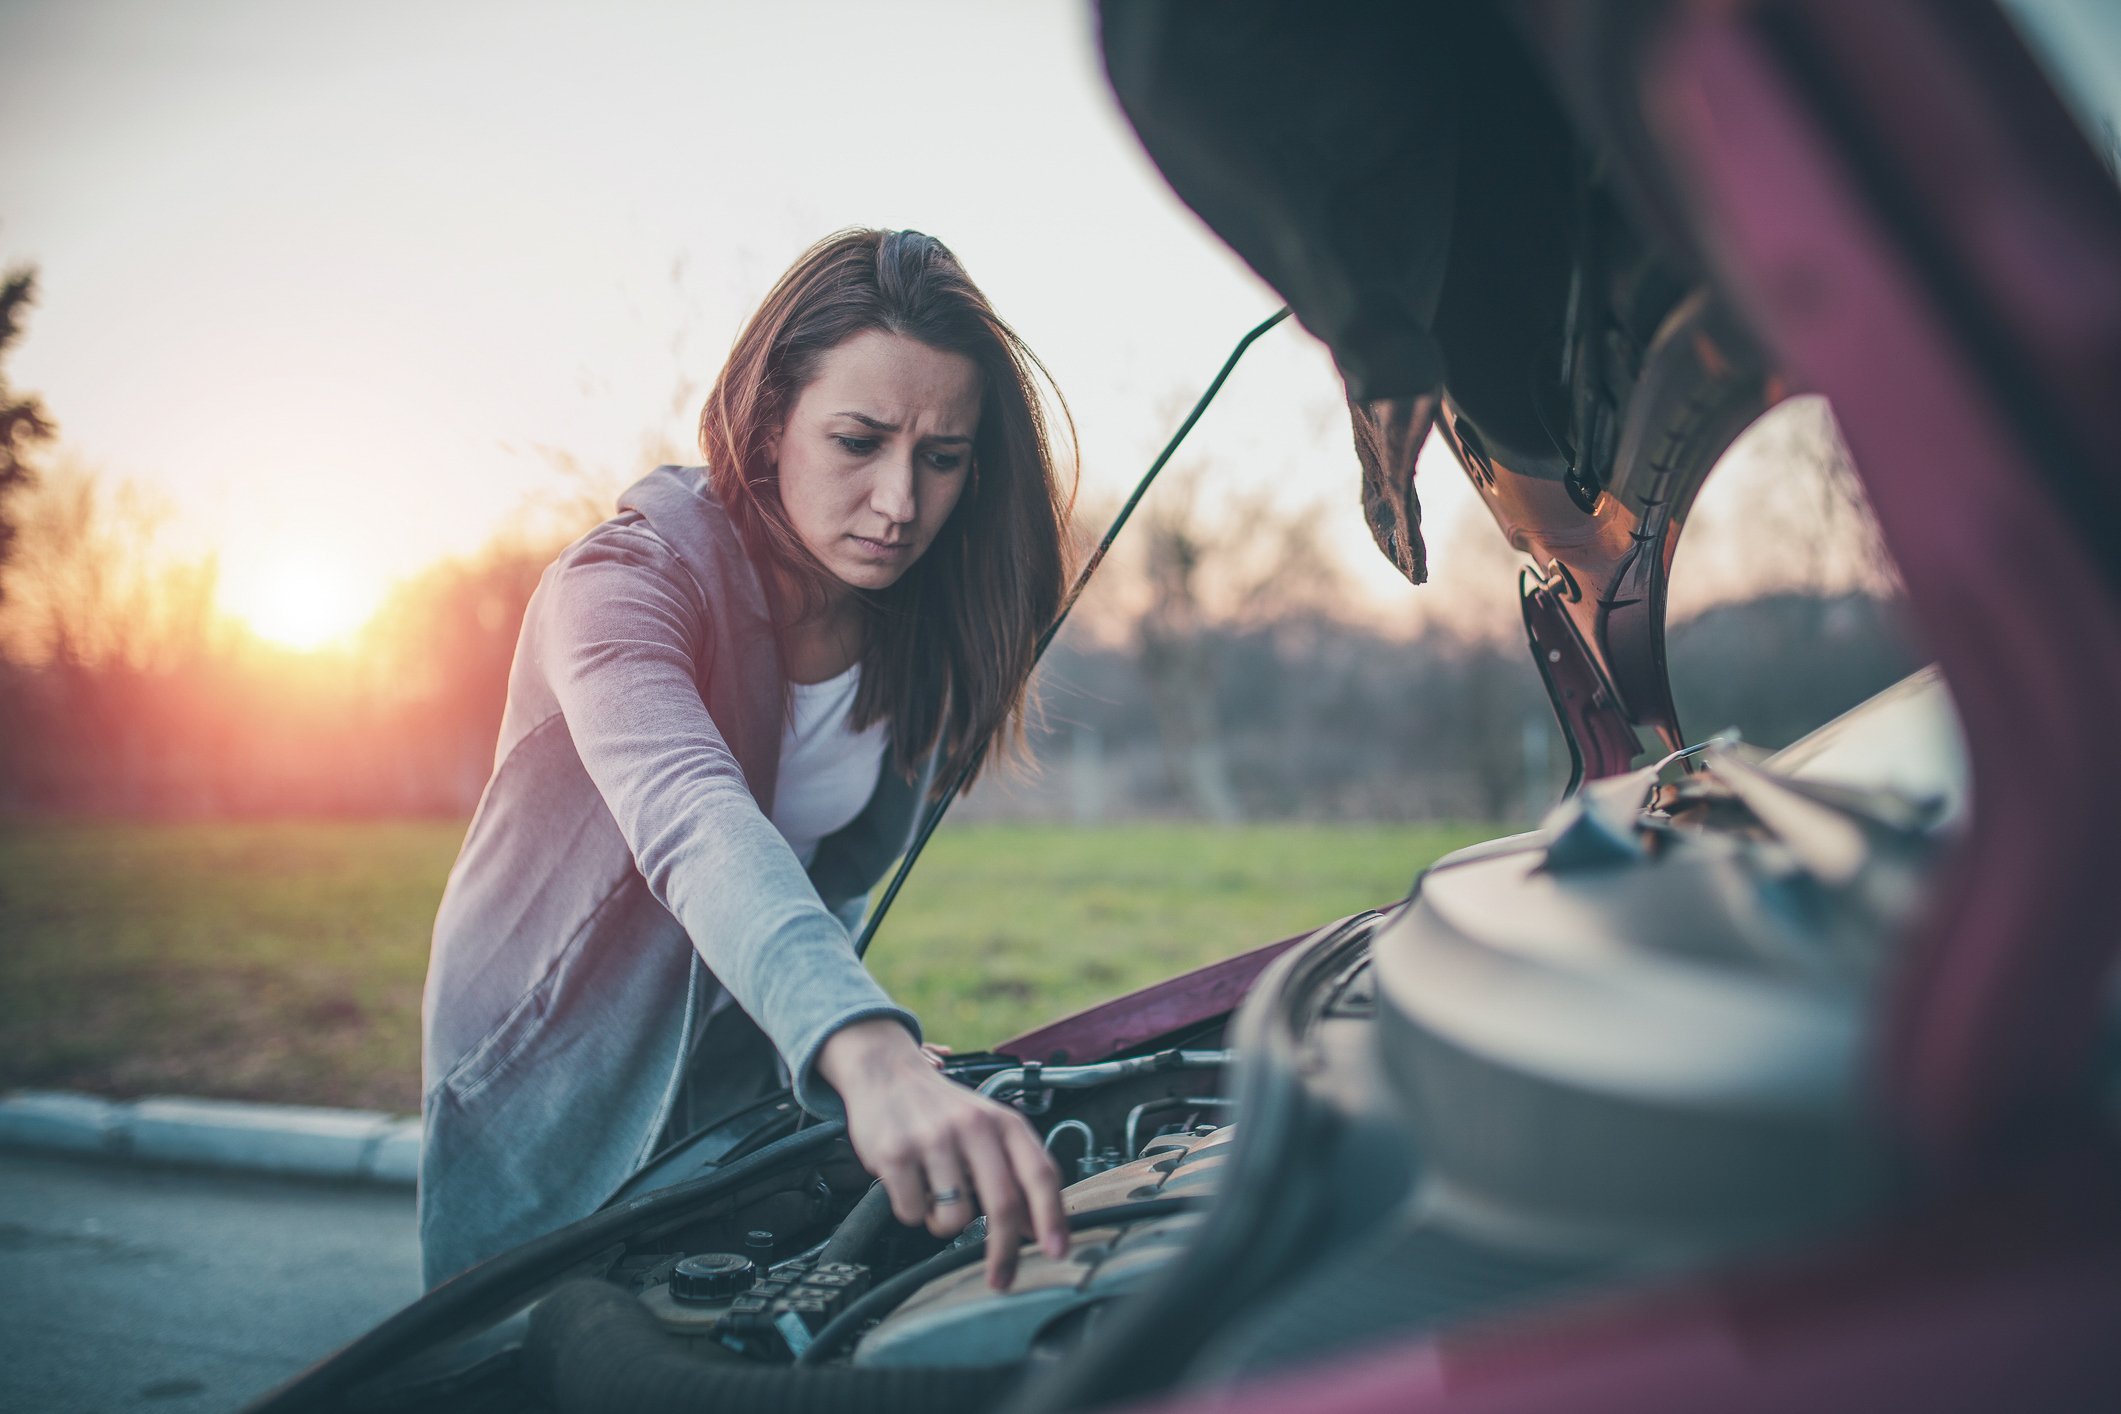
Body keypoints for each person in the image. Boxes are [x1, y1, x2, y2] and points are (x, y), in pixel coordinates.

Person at [419, 229, 1073, 1293]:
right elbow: (695, 820)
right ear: (769, 420)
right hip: (552, 1066)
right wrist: (864, 1044)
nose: (901, 502)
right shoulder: (622, 586)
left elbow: (826, 879)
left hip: (756, 1049)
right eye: (858, 440)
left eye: (941, 457)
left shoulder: (929, 629)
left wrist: (856, 1047)